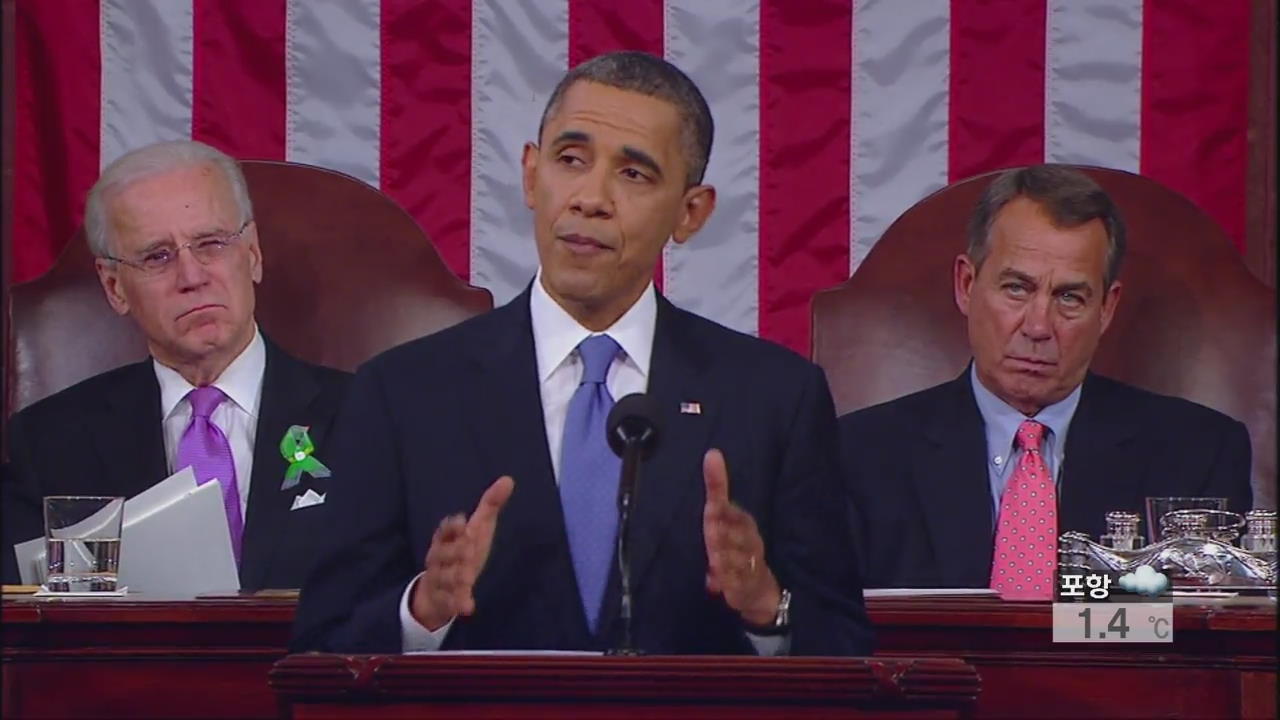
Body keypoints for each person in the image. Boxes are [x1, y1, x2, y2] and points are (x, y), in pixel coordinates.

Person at [292, 51, 872, 655]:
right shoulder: (402, 392)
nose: (590, 198)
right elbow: (321, 648)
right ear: (529, 173)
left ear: (690, 212)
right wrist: (422, 610)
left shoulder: (775, 398)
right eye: (570, 160)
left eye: (634, 174)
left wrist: (764, 606)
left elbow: (845, 647)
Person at [839, 164, 1252, 596]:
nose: (1038, 326)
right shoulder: (859, 455)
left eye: (1069, 297)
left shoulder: (1199, 453)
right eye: (1017, 288)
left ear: (1107, 309)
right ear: (966, 284)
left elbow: (1190, 636)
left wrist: (1087, 624)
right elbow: (838, 635)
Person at [2, 141, 350, 590]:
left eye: (211, 244)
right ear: (114, 288)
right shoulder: (47, 443)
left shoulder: (365, 418)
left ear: (253, 254)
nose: (192, 277)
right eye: (157, 257)